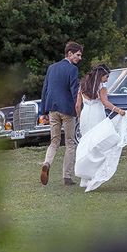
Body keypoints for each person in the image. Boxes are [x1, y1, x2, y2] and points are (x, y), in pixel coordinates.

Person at [74, 64, 127, 192]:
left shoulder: (82, 86)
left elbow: (77, 105)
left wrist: (80, 118)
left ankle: (84, 178)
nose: (107, 79)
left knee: (87, 145)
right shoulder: (101, 87)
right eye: (106, 77)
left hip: (85, 116)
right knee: (98, 144)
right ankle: (93, 175)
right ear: (100, 76)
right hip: (97, 115)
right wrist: (118, 110)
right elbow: (105, 102)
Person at [40, 41, 83, 186]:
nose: (80, 58)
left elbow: (45, 90)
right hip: (67, 110)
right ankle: (67, 177)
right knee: (70, 143)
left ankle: (47, 163)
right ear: (69, 53)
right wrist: (78, 110)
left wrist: (43, 111)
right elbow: (74, 91)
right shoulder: (72, 70)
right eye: (78, 55)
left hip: (52, 109)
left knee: (54, 141)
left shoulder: (51, 68)